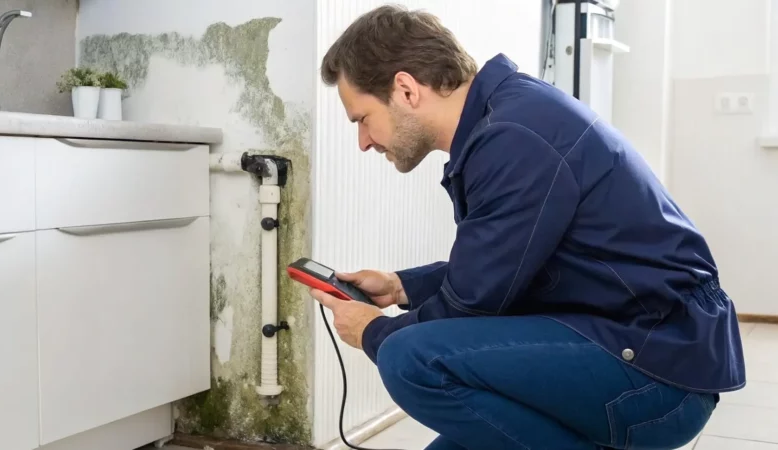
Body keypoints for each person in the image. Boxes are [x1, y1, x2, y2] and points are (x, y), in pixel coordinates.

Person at [311, 5, 745, 450]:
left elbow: (471, 307)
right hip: (631, 342)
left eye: (362, 119)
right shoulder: (507, 119)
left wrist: (373, 332)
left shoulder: (515, 137)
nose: (363, 142)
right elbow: (507, 270)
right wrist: (402, 286)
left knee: (407, 357)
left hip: (657, 373)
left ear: (405, 89)